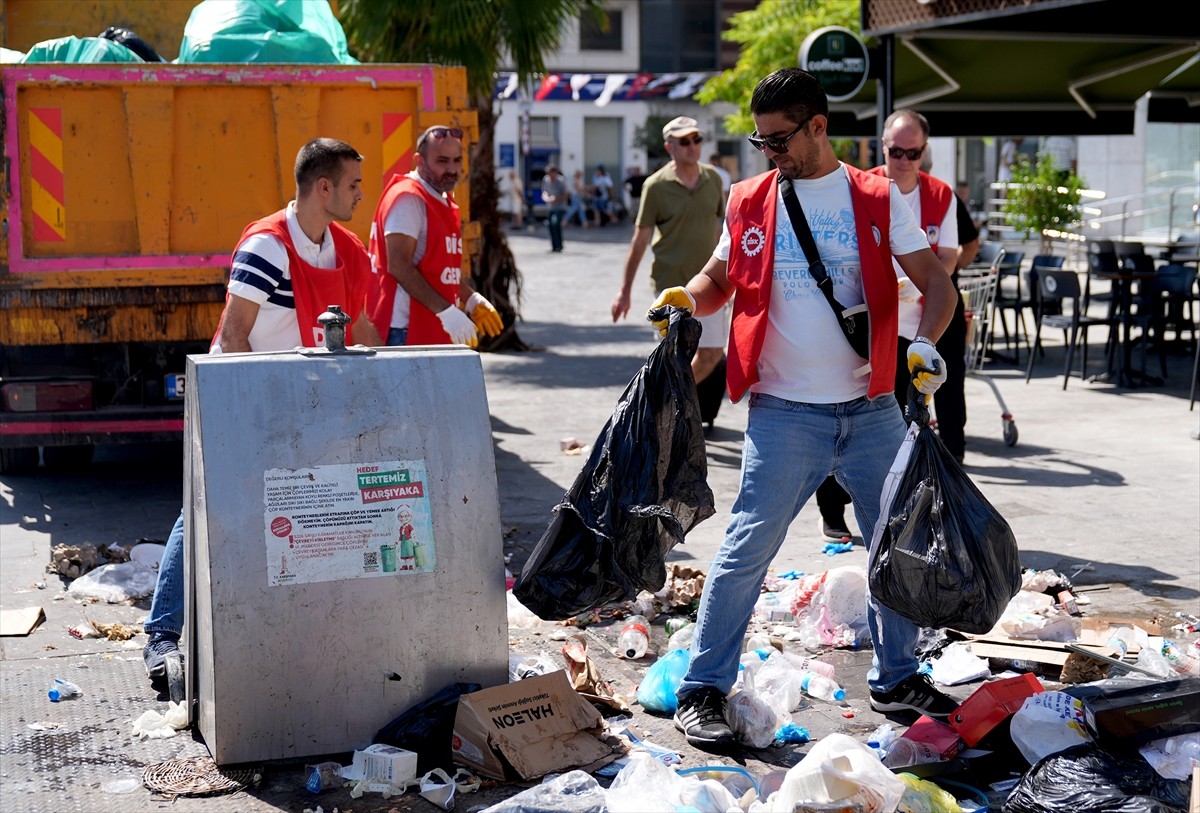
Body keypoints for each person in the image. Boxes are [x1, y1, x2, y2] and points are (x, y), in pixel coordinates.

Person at [649, 68, 958, 751]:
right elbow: (717, 278)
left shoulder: (875, 196)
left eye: (780, 139)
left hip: (874, 406)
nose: (770, 153)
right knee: (745, 549)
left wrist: (926, 344)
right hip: (785, 413)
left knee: (893, 540)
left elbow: (937, 282)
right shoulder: (750, 199)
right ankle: (703, 686)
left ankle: (898, 674)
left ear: (819, 126)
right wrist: (683, 297)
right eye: (761, 142)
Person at [144, 137, 383, 681]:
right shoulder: (266, 246)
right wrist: (256, 419)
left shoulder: (346, 249)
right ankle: (161, 638)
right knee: (206, 508)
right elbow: (233, 336)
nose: (360, 196)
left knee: (307, 514)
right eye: (353, 185)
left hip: (304, 403)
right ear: (323, 188)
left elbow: (362, 328)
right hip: (241, 395)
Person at [815, 109, 961, 537]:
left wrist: (923, 287)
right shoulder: (863, 189)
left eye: (911, 153)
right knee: (852, 415)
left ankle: (924, 507)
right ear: (883, 147)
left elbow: (949, 255)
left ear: (923, 152)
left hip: (925, 325)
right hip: (875, 325)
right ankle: (834, 510)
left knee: (922, 422)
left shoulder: (940, 194)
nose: (902, 160)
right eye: (895, 151)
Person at [612, 116, 725, 394]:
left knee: (711, 354)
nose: (692, 146)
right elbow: (640, 240)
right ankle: (665, 408)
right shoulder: (655, 185)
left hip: (710, 287)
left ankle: (670, 400)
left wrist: (727, 278)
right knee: (673, 358)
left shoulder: (713, 179)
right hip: (670, 286)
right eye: (684, 141)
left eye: (696, 139)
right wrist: (624, 292)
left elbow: (722, 231)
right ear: (669, 147)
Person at [366, 125, 503, 346]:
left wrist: (470, 299)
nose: (451, 169)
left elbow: (438, 270)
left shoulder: (442, 198)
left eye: (457, 160)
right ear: (419, 161)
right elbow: (399, 265)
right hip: (404, 331)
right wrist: (447, 312)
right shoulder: (409, 199)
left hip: (426, 327)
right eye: (442, 161)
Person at [541, 164, 569, 252]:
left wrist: (555, 198)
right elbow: (544, 191)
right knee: (550, 226)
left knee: (555, 223)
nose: (550, 176)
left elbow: (565, 195)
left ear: (555, 173)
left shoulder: (561, 181)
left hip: (559, 207)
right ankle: (554, 245)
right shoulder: (546, 180)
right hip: (550, 207)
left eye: (552, 173)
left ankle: (559, 245)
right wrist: (545, 197)